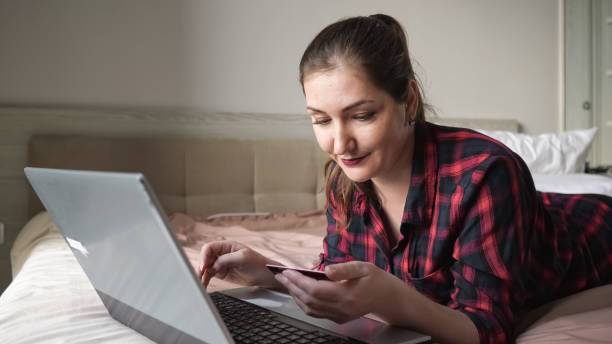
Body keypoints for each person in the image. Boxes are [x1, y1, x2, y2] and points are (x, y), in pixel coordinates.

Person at [198, 14, 612, 344]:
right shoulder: (344, 182)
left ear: (408, 100)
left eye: (362, 115)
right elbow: (335, 277)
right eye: (321, 120)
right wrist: (268, 275)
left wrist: (391, 299)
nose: (340, 142)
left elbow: (487, 329)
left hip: (594, 231)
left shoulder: (486, 174)